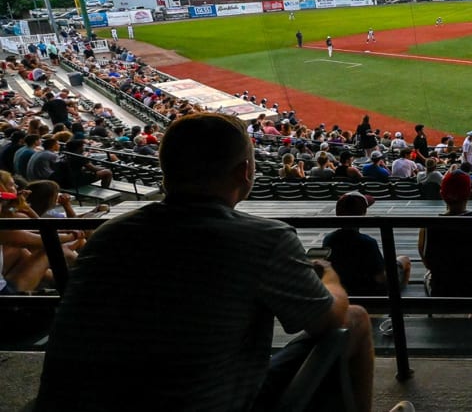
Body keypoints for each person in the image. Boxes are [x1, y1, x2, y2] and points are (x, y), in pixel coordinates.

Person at [35, 113, 377, 412]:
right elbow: (329, 320)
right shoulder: (265, 238)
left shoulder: (109, 234)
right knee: (356, 318)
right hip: (205, 404)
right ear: (244, 171)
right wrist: (329, 277)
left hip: (75, 403)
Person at [418, 170, 472, 301]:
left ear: (442, 194)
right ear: (469, 193)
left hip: (442, 291)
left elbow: (428, 264)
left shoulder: (427, 227)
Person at [323, 190, 411, 296]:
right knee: (404, 260)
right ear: (363, 214)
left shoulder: (328, 239)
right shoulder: (368, 243)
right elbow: (380, 278)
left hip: (342, 290)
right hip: (371, 292)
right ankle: (398, 302)